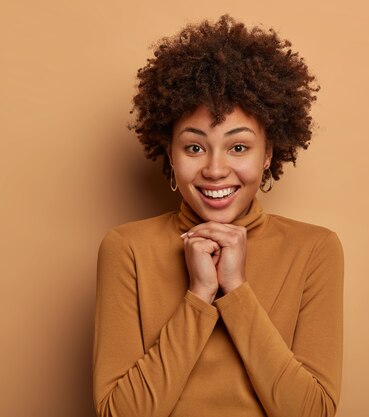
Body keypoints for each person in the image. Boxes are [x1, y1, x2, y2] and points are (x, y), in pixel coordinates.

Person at [93, 15, 344, 417]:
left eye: (238, 148)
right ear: (169, 154)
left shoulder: (315, 249)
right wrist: (199, 295)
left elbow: (311, 412)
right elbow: (120, 413)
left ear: (269, 156)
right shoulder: (127, 248)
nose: (214, 169)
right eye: (194, 148)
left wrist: (236, 289)